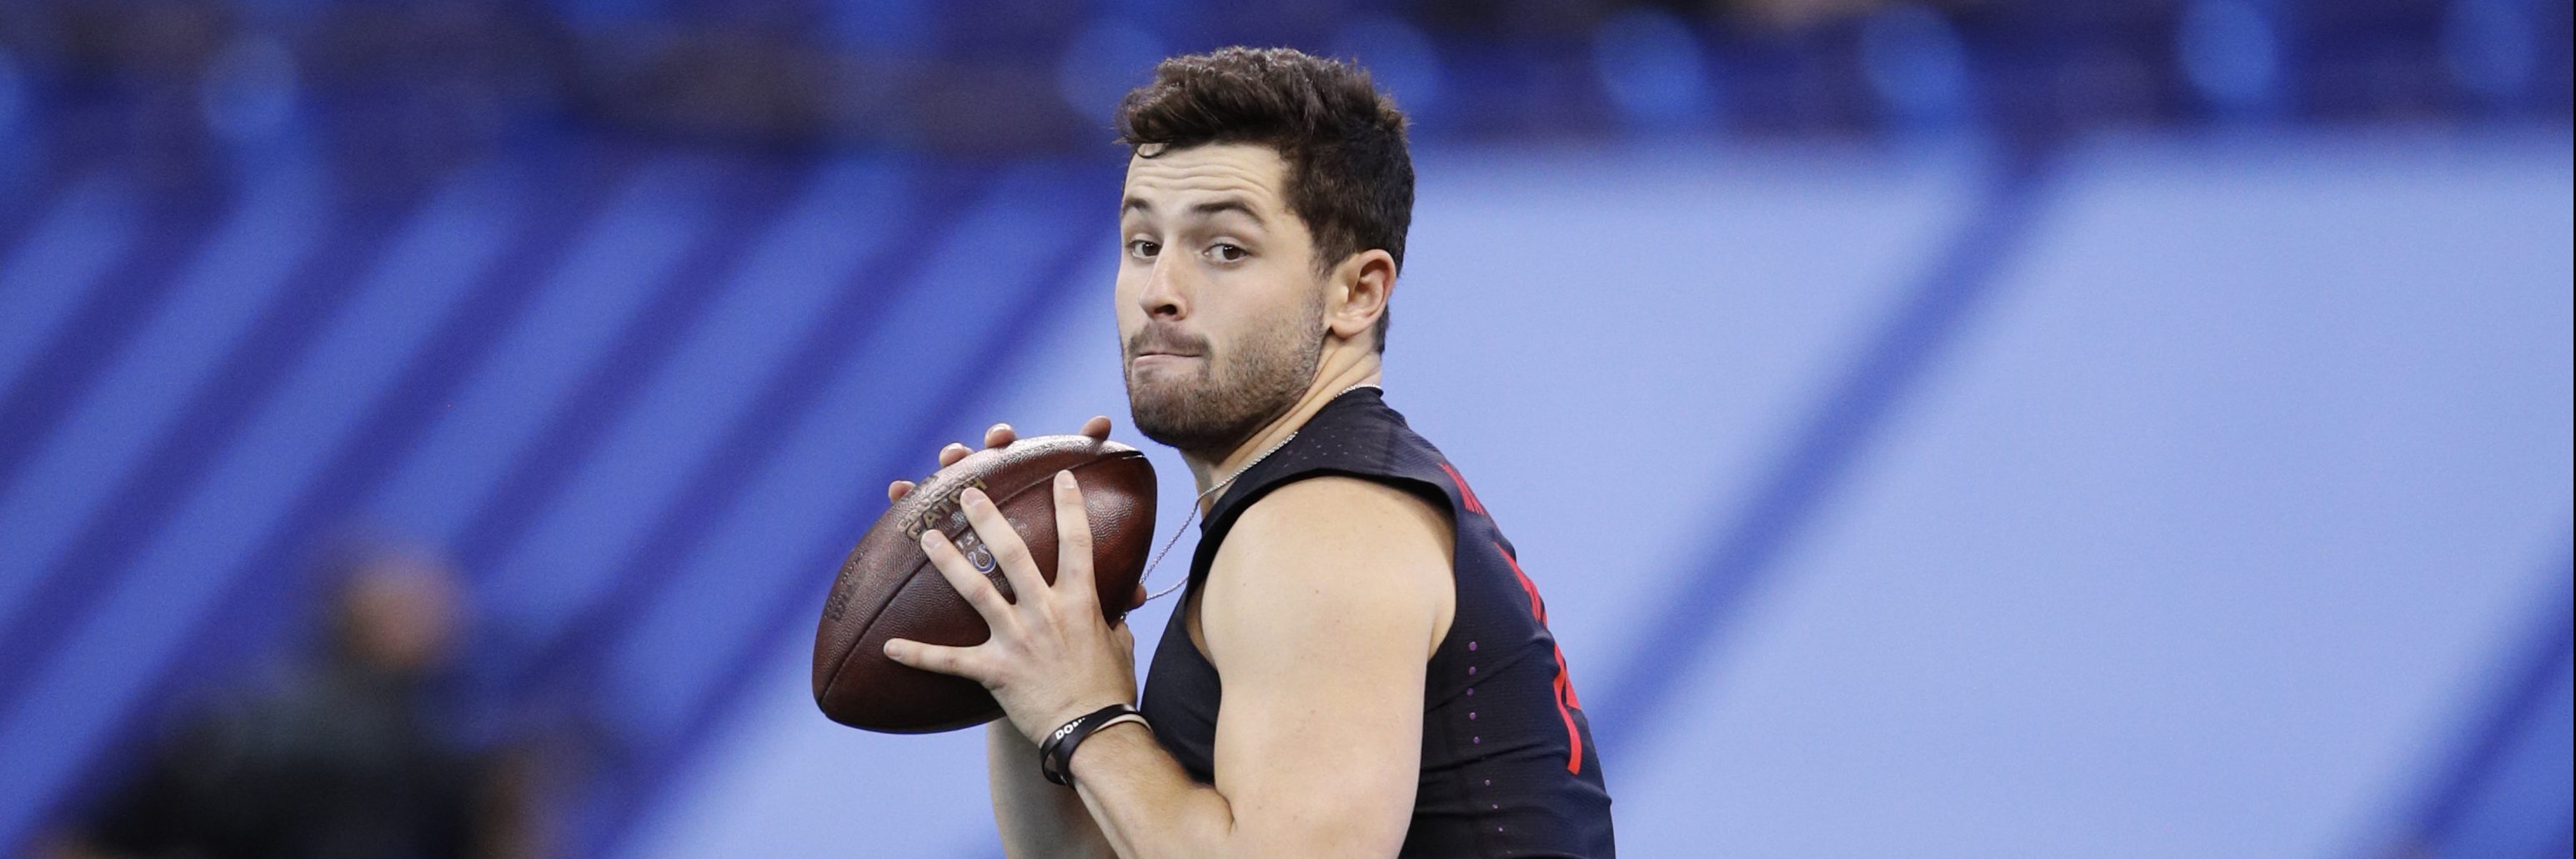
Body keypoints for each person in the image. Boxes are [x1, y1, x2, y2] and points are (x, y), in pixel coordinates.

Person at [880, 48, 1615, 857]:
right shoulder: (1306, 502)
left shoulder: (1323, 526)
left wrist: (1084, 714)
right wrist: (1031, 661)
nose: (1160, 288)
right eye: (1141, 242)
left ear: (1357, 291)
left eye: (1223, 248)